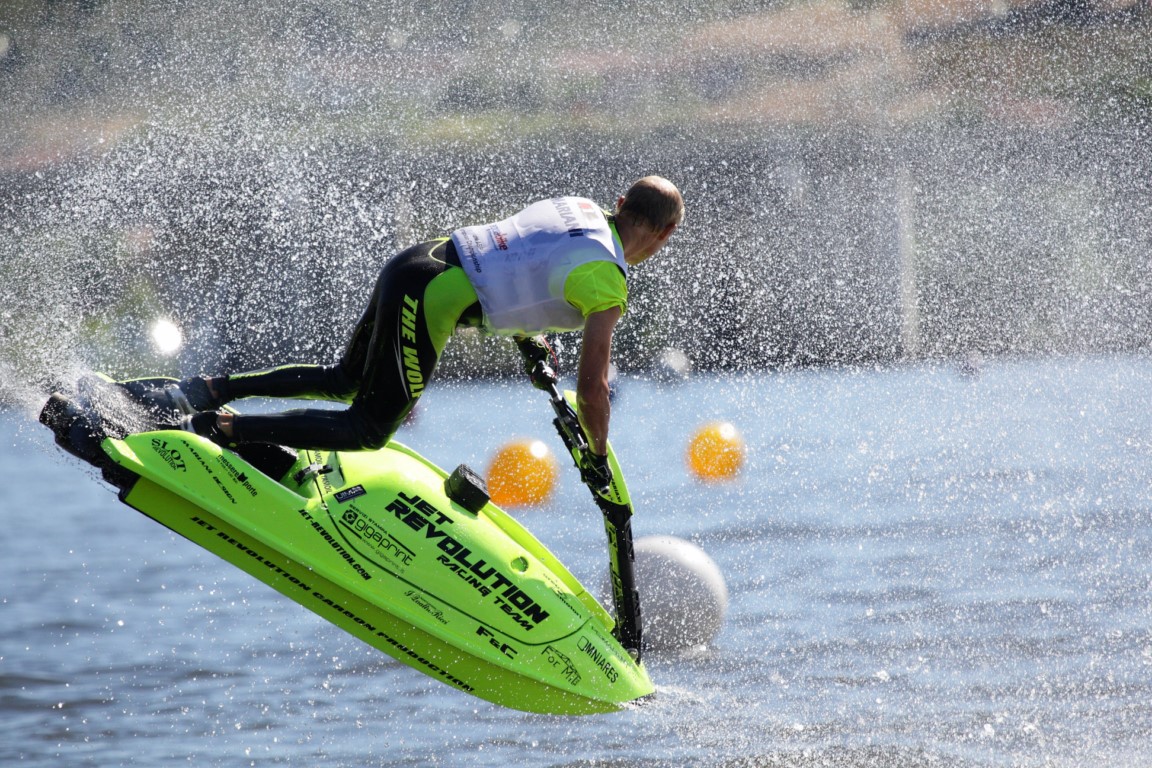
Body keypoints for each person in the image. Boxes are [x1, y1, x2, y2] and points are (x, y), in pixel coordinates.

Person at [180, 175, 684, 485]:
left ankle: (211, 390)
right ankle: (223, 429)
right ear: (665, 235)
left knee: (345, 379)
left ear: (620, 202)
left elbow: (519, 261)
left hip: (417, 260)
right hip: (428, 298)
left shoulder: (579, 208)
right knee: (368, 429)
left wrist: (530, 336)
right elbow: (593, 388)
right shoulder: (608, 282)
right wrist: (597, 456)